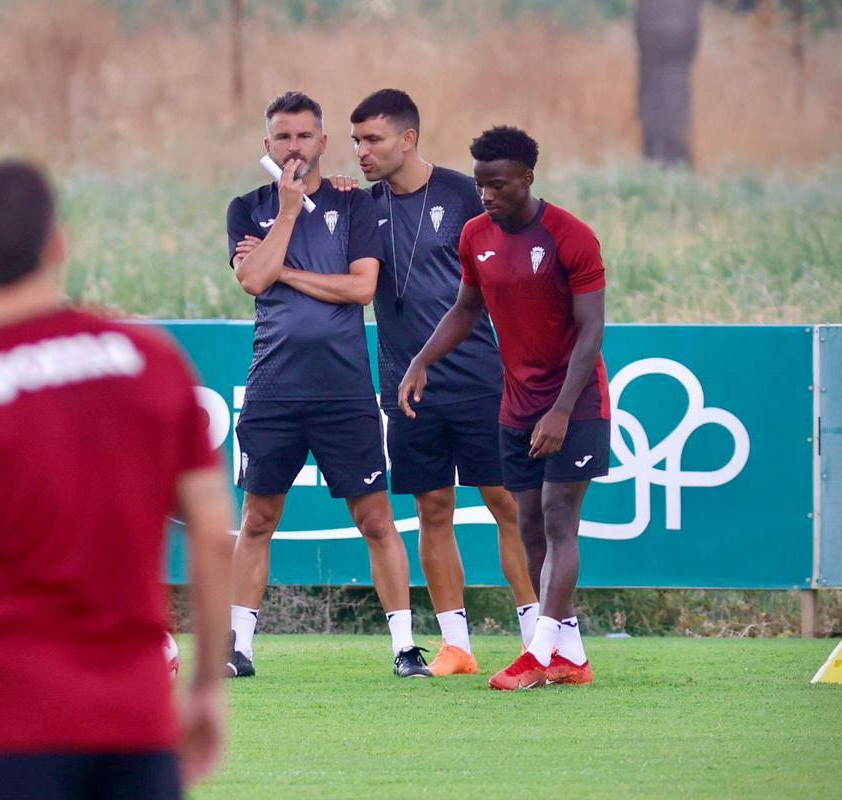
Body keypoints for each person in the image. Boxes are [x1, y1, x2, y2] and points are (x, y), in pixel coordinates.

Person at [0, 159, 234, 800]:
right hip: (135, 724)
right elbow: (213, 535)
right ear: (58, 243)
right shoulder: (152, 360)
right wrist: (207, 685)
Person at [226, 91, 429, 679]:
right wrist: (287, 215)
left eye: (305, 136)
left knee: (375, 520)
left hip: (344, 390)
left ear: (322, 142)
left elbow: (361, 289)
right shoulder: (248, 208)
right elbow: (252, 281)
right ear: (268, 146)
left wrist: (284, 270)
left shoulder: (355, 205)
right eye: (283, 138)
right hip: (273, 389)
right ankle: (239, 648)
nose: (295, 148)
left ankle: (404, 647)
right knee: (259, 519)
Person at [399, 126, 609, 691]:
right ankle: (574, 657)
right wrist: (421, 361)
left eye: (498, 184)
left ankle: (538, 654)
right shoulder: (474, 236)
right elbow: (466, 310)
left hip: (575, 402)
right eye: (480, 184)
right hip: (515, 407)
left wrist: (563, 410)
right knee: (532, 529)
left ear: (527, 179)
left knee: (561, 522)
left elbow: (592, 333)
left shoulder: (571, 236)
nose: (487, 194)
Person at [344, 89, 539, 676]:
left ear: (408, 139)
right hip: (406, 385)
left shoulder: (462, 194)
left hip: (479, 377)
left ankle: (539, 635)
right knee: (433, 509)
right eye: (355, 141)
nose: (361, 151)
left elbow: (521, 255)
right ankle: (457, 646)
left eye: (372, 139)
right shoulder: (361, 207)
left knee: (508, 504)